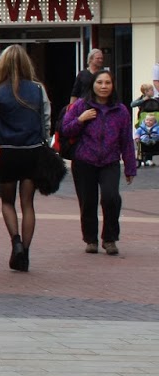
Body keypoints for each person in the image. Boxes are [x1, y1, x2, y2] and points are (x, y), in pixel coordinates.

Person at [0, 45, 54, 271]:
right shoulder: (38, 89)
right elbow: (46, 121)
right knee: (28, 204)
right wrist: (46, 142)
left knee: (7, 202)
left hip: (9, 152)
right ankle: (27, 251)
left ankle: (15, 242)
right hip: (32, 150)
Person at [60, 67, 137, 255]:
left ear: (113, 86)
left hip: (109, 161)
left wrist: (130, 167)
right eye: (100, 82)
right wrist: (80, 119)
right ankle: (91, 239)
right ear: (93, 85)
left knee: (111, 197)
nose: (103, 86)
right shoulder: (81, 105)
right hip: (84, 160)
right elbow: (65, 130)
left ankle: (110, 238)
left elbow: (127, 140)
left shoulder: (121, 111)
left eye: (107, 83)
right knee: (88, 201)